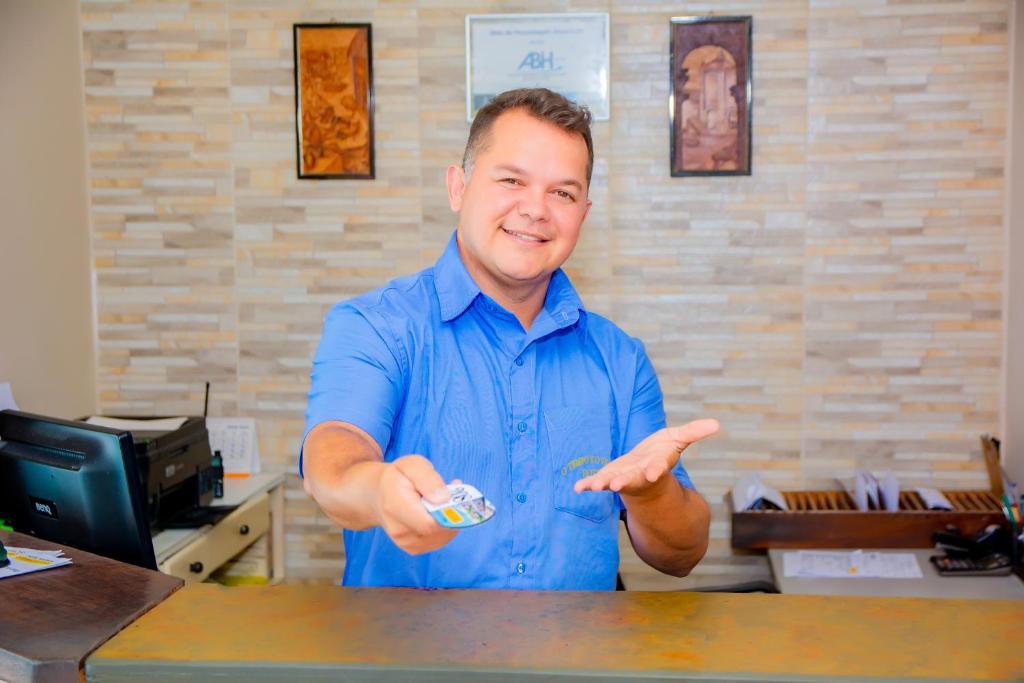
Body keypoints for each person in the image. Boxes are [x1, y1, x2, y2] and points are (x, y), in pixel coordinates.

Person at [301, 88, 718, 590]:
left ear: (582, 215)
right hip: (407, 642)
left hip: (577, 643)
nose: (536, 209)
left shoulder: (620, 359)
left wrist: (651, 494)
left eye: (562, 193)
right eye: (512, 180)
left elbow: (682, 555)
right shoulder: (377, 326)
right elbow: (333, 462)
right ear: (458, 188)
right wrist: (378, 489)